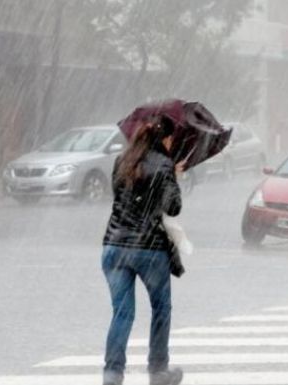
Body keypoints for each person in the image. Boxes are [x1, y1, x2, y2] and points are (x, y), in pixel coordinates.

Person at [101, 115, 184, 385]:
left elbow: (121, 196)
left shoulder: (121, 161)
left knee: (122, 313)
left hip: (114, 246)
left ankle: (112, 374)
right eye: (172, 139)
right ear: (166, 139)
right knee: (161, 308)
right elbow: (173, 207)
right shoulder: (164, 164)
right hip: (148, 249)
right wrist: (174, 176)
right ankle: (158, 370)